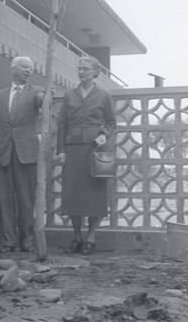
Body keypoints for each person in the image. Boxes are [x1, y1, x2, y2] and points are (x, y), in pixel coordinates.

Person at [56, 56, 116, 255]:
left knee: (94, 194)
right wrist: (61, 150)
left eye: (86, 69)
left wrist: (102, 135)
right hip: (72, 149)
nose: (81, 72)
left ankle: (91, 236)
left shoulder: (104, 95)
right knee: (73, 193)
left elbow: (110, 123)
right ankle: (76, 236)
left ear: (95, 73)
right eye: (79, 69)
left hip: (94, 150)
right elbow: (62, 124)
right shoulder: (69, 95)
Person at [0, 56, 45, 254]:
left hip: (26, 153)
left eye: (31, 68)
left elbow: (41, 103)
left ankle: (27, 241)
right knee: (5, 199)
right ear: (13, 69)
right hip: (4, 152)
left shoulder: (36, 91)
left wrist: (45, 98)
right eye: (24, 67)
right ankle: (7, 242)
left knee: (26, 200)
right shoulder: (0, 95)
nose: (29, 70)